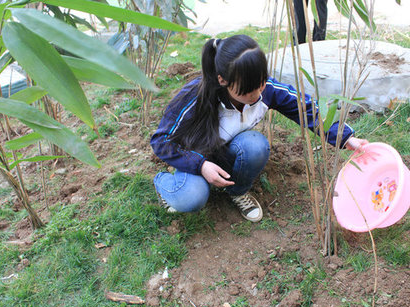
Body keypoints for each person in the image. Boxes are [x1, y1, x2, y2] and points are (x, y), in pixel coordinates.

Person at [150, 35, 366, 222]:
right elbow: (160, 141)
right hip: (196, 156)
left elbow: (308, 109)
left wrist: (346, 138)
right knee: (192, 197)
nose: (256, 95)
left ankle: (236, 191)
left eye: (261, 83)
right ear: (222, 80)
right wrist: (201, 165)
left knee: (256, 145)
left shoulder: (267, 90)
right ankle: (162, 182)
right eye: (246, 91)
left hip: (227, 151)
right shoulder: (196, 96)